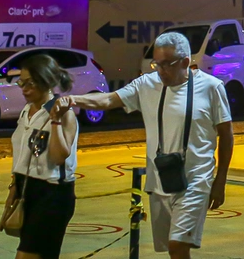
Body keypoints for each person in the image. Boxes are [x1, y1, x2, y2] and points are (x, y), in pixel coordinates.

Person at [55, 32, 233, 259]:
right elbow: (110, 99)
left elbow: (226, 135)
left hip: (196, 181)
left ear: (186, 62)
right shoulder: (147, 84)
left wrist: (220, 180)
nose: (160, 70)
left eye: (167, 64)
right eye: (156, 63)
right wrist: (73, 100)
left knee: (178, 244)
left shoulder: (211, 87)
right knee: (174, 249)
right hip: (160, 180)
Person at [3, 54, 79, 259]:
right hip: (27, 189)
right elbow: (22, 152)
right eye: (21, 82)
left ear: (46, 82)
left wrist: (55, 121)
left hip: (52, 193)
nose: (24, 88)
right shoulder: (27, 111)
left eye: (30, 83)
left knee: (26, 256)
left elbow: (59, 156)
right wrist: (14, 185)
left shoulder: (64, 113)